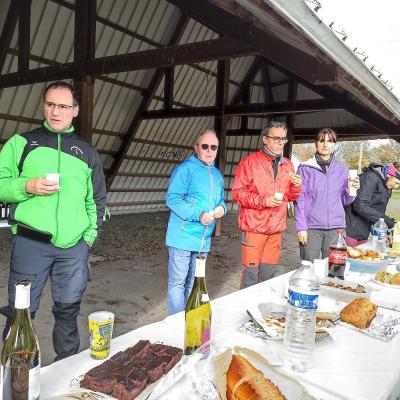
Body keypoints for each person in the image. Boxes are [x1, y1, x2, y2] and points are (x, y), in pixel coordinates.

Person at [0, 81, 107, 361]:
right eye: (50, 105)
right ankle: (19, 376)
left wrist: (88, 239)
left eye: (63, 106)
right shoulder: (21, 143)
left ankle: (66, 368)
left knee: (68, 310)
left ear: (75, 110)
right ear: (44, 106)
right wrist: (27, 186)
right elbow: (1, 184)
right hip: (30, 243)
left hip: (73, 248)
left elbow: (96, 200)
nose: (55, 112)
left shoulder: (87, 152)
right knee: (21, 313)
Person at [232, 121, 302, 289]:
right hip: (254, 229)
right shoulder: (249, 163)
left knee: (268, 275)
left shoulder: (288, 164)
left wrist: (297, 186)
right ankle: (244, 313)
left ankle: (261, 314)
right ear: (265, 139)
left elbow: (290, 196)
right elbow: (238, 193)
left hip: (275, 230)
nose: (280, 142)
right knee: (250, 277)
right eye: (276, 138)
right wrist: (263, 201)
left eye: (283, 139)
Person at [165, 130, 226, 314]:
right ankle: (175, 324)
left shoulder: (217, 175)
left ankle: (189, 319)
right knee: (178, 282)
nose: (209, 150)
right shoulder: (185, 169)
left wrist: (222, 208)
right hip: (182, 236)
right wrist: (198, 215)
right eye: (205, 146)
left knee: (194, 282)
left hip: (203, 240)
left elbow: (221, 200)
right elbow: (173, 199)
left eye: (213, 147)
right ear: (196, 148)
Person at [294, 128, 360, 261]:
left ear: (335, 144)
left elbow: (345, 201)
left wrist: (351, 191)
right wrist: (301, 227)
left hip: (337, 228)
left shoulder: (343, 169)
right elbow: (299, 199)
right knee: (309, 268)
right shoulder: (305, 168)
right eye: (321, 140)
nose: (325, 145)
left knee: (334, 268)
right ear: (315, 143)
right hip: (312, 228)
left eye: (330, 141)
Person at [345, 164, 400, 246]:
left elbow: (379, 212)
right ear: (389, 175)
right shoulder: (370, 177)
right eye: (396, 182)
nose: (396, 186)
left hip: (364, 231)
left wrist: (386, 232)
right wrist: (390, 223)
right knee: (345, 257)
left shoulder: (387, 187)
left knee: (361, 257)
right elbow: (360, 206)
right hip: (350, 229)